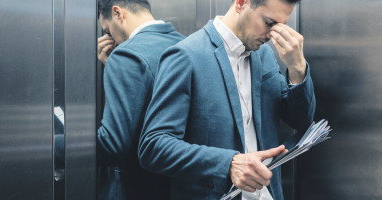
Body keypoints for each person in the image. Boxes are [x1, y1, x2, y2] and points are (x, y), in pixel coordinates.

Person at [138, 0, 314, 199]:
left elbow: (300, 121)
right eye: (269, 23)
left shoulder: (264, 54)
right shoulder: (185, 56)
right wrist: (228, 164)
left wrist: (298, 68)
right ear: (241, 3)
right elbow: (153, 146)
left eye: (280, 26)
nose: (271, 36)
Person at [95, 0, 184, 199]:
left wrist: (60, 146)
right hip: (177, 187)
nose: (110, 38)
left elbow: (112, 146)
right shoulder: (185, 43)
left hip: (137, 189)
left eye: (108, 31)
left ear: (117, 13)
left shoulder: (126, 55)